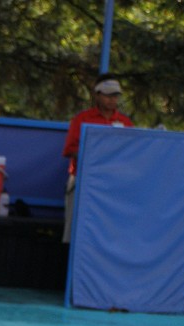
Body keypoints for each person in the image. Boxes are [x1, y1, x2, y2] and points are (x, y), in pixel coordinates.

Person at [61, 73, 134, 243]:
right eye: (108, 95)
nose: (112, 99)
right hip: (82, 179)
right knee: (75, 230)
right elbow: (70, 149)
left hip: (114, 184)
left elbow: (132, 152)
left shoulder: (125, 122)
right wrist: (96, 156)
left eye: (115, 95)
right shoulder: (82, 119)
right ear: (97, 95)